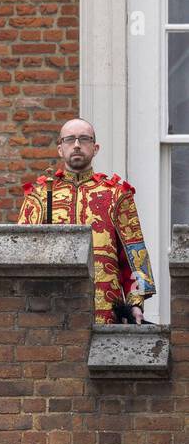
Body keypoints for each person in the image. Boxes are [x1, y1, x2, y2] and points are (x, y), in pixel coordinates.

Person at [17, 118, 156, 324]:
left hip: (107, 310)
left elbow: (134, 254)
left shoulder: (116, 194)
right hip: (52, 308)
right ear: (60, 149)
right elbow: (22, 255)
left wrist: (135, 303)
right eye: (69, 139)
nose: (76, 145)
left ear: (95, 147)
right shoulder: (38, 196)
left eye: (84, 139)